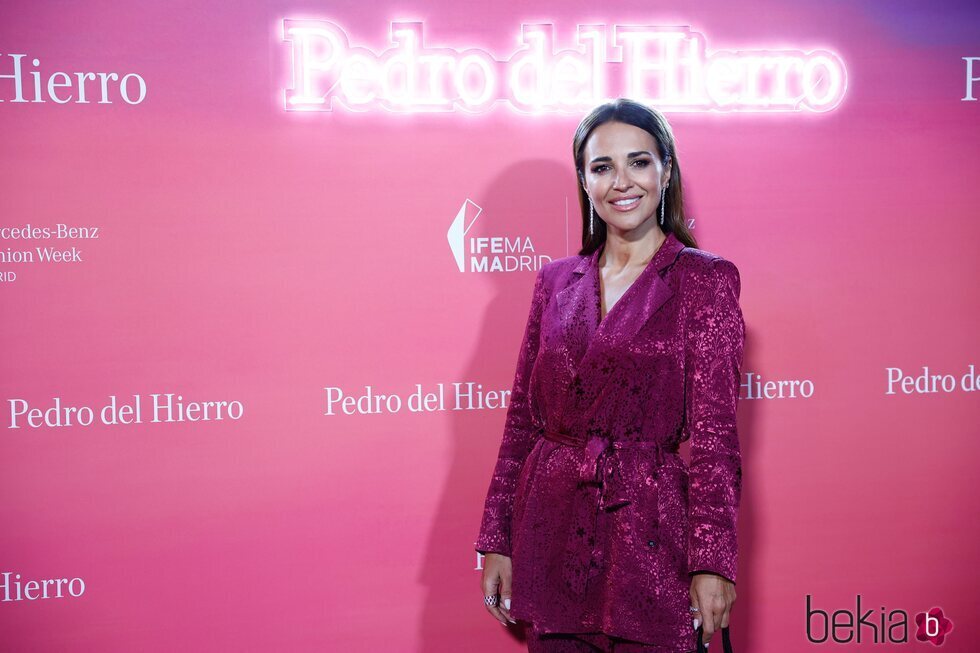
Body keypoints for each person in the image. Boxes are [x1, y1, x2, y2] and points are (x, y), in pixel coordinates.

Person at [475, 98, 745, 652]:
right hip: (551, 534)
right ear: (585, 181)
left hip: (649, 539)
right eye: (603, 167)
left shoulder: (704, 281)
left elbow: (716, 440)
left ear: (666, 172)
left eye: (639, 162)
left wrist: (713, 561)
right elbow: (522, 425)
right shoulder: (555, 281)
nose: (622, 182)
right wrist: (496, 540)